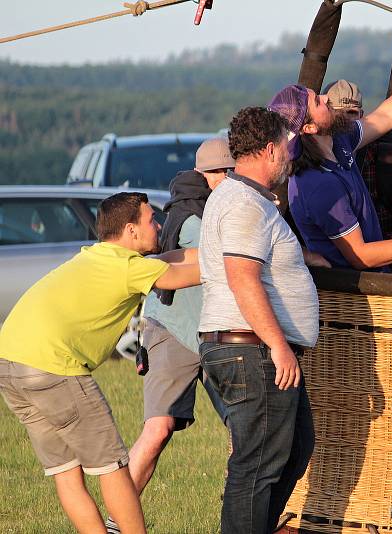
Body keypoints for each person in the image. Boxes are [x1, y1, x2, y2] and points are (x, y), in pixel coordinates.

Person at [0, 192, 201, 534]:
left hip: (10, 362)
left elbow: (172, 258)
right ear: (130, 230)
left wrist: (212, 249)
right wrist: (241, 256)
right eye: (151, 219)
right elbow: (179, 276)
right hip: (54, 365)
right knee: (113, 468)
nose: (159, 225)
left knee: (67, 473)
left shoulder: (100, 256)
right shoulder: (128, 269)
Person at [198, 107, 319, 534]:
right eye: (287, 146)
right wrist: (279, 345)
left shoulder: (245, 199)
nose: (290, 155)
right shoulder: (244, 204)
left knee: (293, 447)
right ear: (270, 149)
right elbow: (243, 279)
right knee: (257, 465)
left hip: (253, 347)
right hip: (253, 349)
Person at [103, 139, 234, 534]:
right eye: (224, 172)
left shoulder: (206, 207)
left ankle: (245, 515)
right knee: (158, 429)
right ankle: (114, 524)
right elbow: (225, 260)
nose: (230, 179)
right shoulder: (196, 217)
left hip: (215, 333)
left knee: (247, 430)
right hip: (174, 331)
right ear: (210, 175)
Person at [268, 38, 392, 271]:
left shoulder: (338, 140)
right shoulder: (317, 184)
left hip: (376, 280)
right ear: (309, 128)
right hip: (356, 296)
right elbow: (361, 257)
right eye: (317, 102)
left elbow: (388, 115)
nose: (326, 98)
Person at [325, 79, 392, 274]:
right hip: (336, 276)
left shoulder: (391, 160)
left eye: (350, 114)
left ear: (361, 117)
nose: (343, 123)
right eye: (336, 114)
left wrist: (378, 251)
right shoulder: (312, 167)